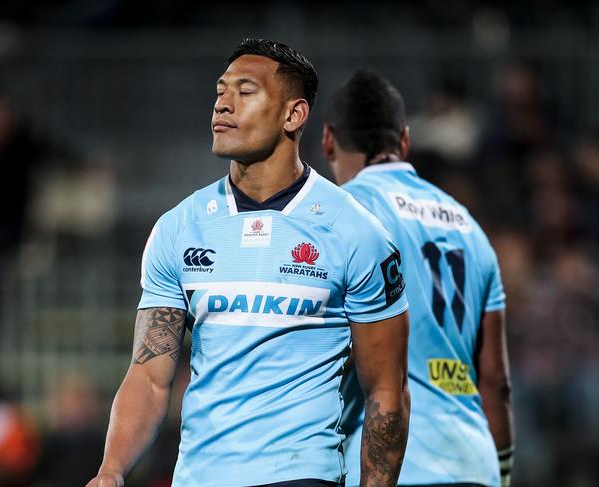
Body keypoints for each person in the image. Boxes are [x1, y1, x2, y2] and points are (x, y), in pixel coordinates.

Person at [87, 40, 411, 487]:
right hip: (199, 477)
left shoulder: (355, 231)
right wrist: (112, 470)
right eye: (220, 91)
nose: (223, 104)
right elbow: (148, 376)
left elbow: (386, 391)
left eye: (245, 91)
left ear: (293, 115)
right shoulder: (179, 227)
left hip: (302, 475)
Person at [322, 69, 514, 487]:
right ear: (404, 141)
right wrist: (499, 472)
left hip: (388, 464)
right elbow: (495, 380)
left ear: (328, 140)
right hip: (472, 461)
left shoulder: (341, 214)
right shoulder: (469, 226)